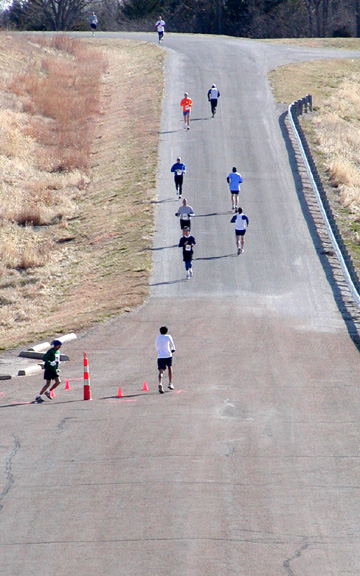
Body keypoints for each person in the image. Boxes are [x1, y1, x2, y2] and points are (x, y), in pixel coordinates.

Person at [155, 326, 175, 393]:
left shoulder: (158, 338)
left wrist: (159, 351)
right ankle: (170, 383)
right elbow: (172, 345)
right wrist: (172, 350)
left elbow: (156, 346)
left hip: (160, 356)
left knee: (161, 370)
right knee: (170, 367)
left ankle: (160, 383)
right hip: (168, 355)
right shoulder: (168, 337)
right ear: (166, 331)